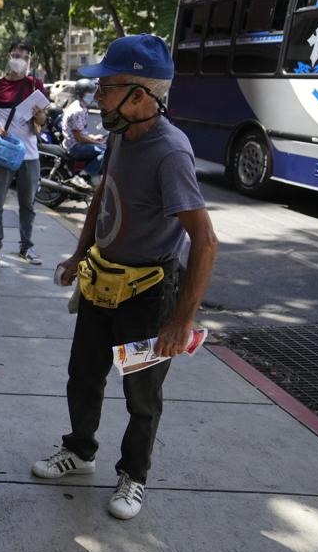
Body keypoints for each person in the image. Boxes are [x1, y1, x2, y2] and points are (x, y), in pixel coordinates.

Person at [31, 34, 218, 520]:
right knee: (83, 375)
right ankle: (80, 451)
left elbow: (205, 240)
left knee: (141, 394)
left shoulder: (170, 152)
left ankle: (133, 476)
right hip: (101, 283)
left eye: (107, 88)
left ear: (140, 96)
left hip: (148, 295)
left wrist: (181, 320)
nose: (97, 98)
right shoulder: (119, 134)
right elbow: (101, 198)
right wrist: (80, 254)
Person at [0, 42, 49, 265]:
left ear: (29, 62)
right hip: (3, 155)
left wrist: (39, 117)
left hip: (29, 156)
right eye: (17, 55)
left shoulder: (35, 85)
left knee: (28, 205)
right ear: (9, 56)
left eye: (25, 57)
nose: (20, 59)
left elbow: (42, 122)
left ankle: (26, 248)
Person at [61, 78, 105, 188]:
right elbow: (79, 137)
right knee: (105, 152)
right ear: (82, 94)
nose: (92, 95)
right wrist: (95, 141)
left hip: (76, 142)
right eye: (89, 93)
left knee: (103, 147)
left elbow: (80, 132)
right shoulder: (78, 110)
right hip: (74, 147)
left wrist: (93, 137)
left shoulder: (81, 106)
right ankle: (83, 176)